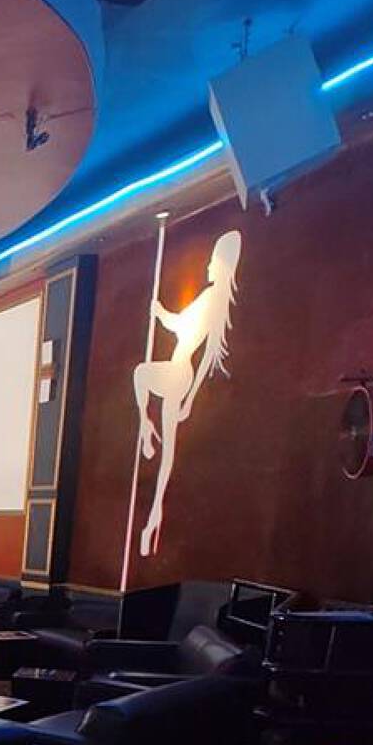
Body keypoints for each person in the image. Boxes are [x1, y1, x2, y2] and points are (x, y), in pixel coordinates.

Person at [134, 230, 241, 558]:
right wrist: (190, 399)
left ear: (220, 263)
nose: (207, 266)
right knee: (167, 455)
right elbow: (207, 357)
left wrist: (159, 312)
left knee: (140, 374)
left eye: (211, 261)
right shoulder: (218, 304)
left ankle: (145, 427)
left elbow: (180, 326)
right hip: (184, 375)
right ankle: (154, 518)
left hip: (177, 370)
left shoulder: (211, 298)